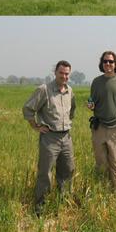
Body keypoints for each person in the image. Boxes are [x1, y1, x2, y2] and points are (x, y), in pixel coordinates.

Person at [22, 60, 75, 216]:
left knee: (67, 170)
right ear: (55, 73)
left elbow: (72, 111)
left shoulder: (70, 91)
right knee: (45, 172)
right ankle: (40, 206)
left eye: (67, 74)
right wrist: (36, 126)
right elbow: (28, 108)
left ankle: (63, 201)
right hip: (49, 137)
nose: (64, 76)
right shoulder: (44, 90)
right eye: (61, 73)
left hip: (66, 137)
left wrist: (68, 123)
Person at [87, 51, 116, 191]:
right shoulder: (96, 82)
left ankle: (115, 194)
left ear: (115, 63)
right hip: (99, 127)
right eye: (105, 61)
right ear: (102, 64)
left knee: (115, 163)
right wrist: (90, 106)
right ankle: (102, 193)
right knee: (101, 163)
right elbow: (92, 103)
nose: (108, 64)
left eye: (111, 61)